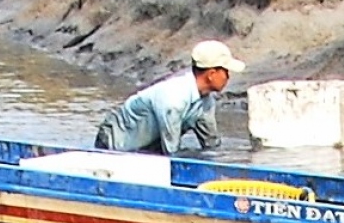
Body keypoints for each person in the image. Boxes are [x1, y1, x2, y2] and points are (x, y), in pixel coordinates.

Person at [93, 40, 247, 155]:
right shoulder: (174, 98)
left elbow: (211, 144)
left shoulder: (206, 101)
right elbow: (171, 152)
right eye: (226, 71)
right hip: (113, 143)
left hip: (146, 146)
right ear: (211, 75)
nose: (228, 76)